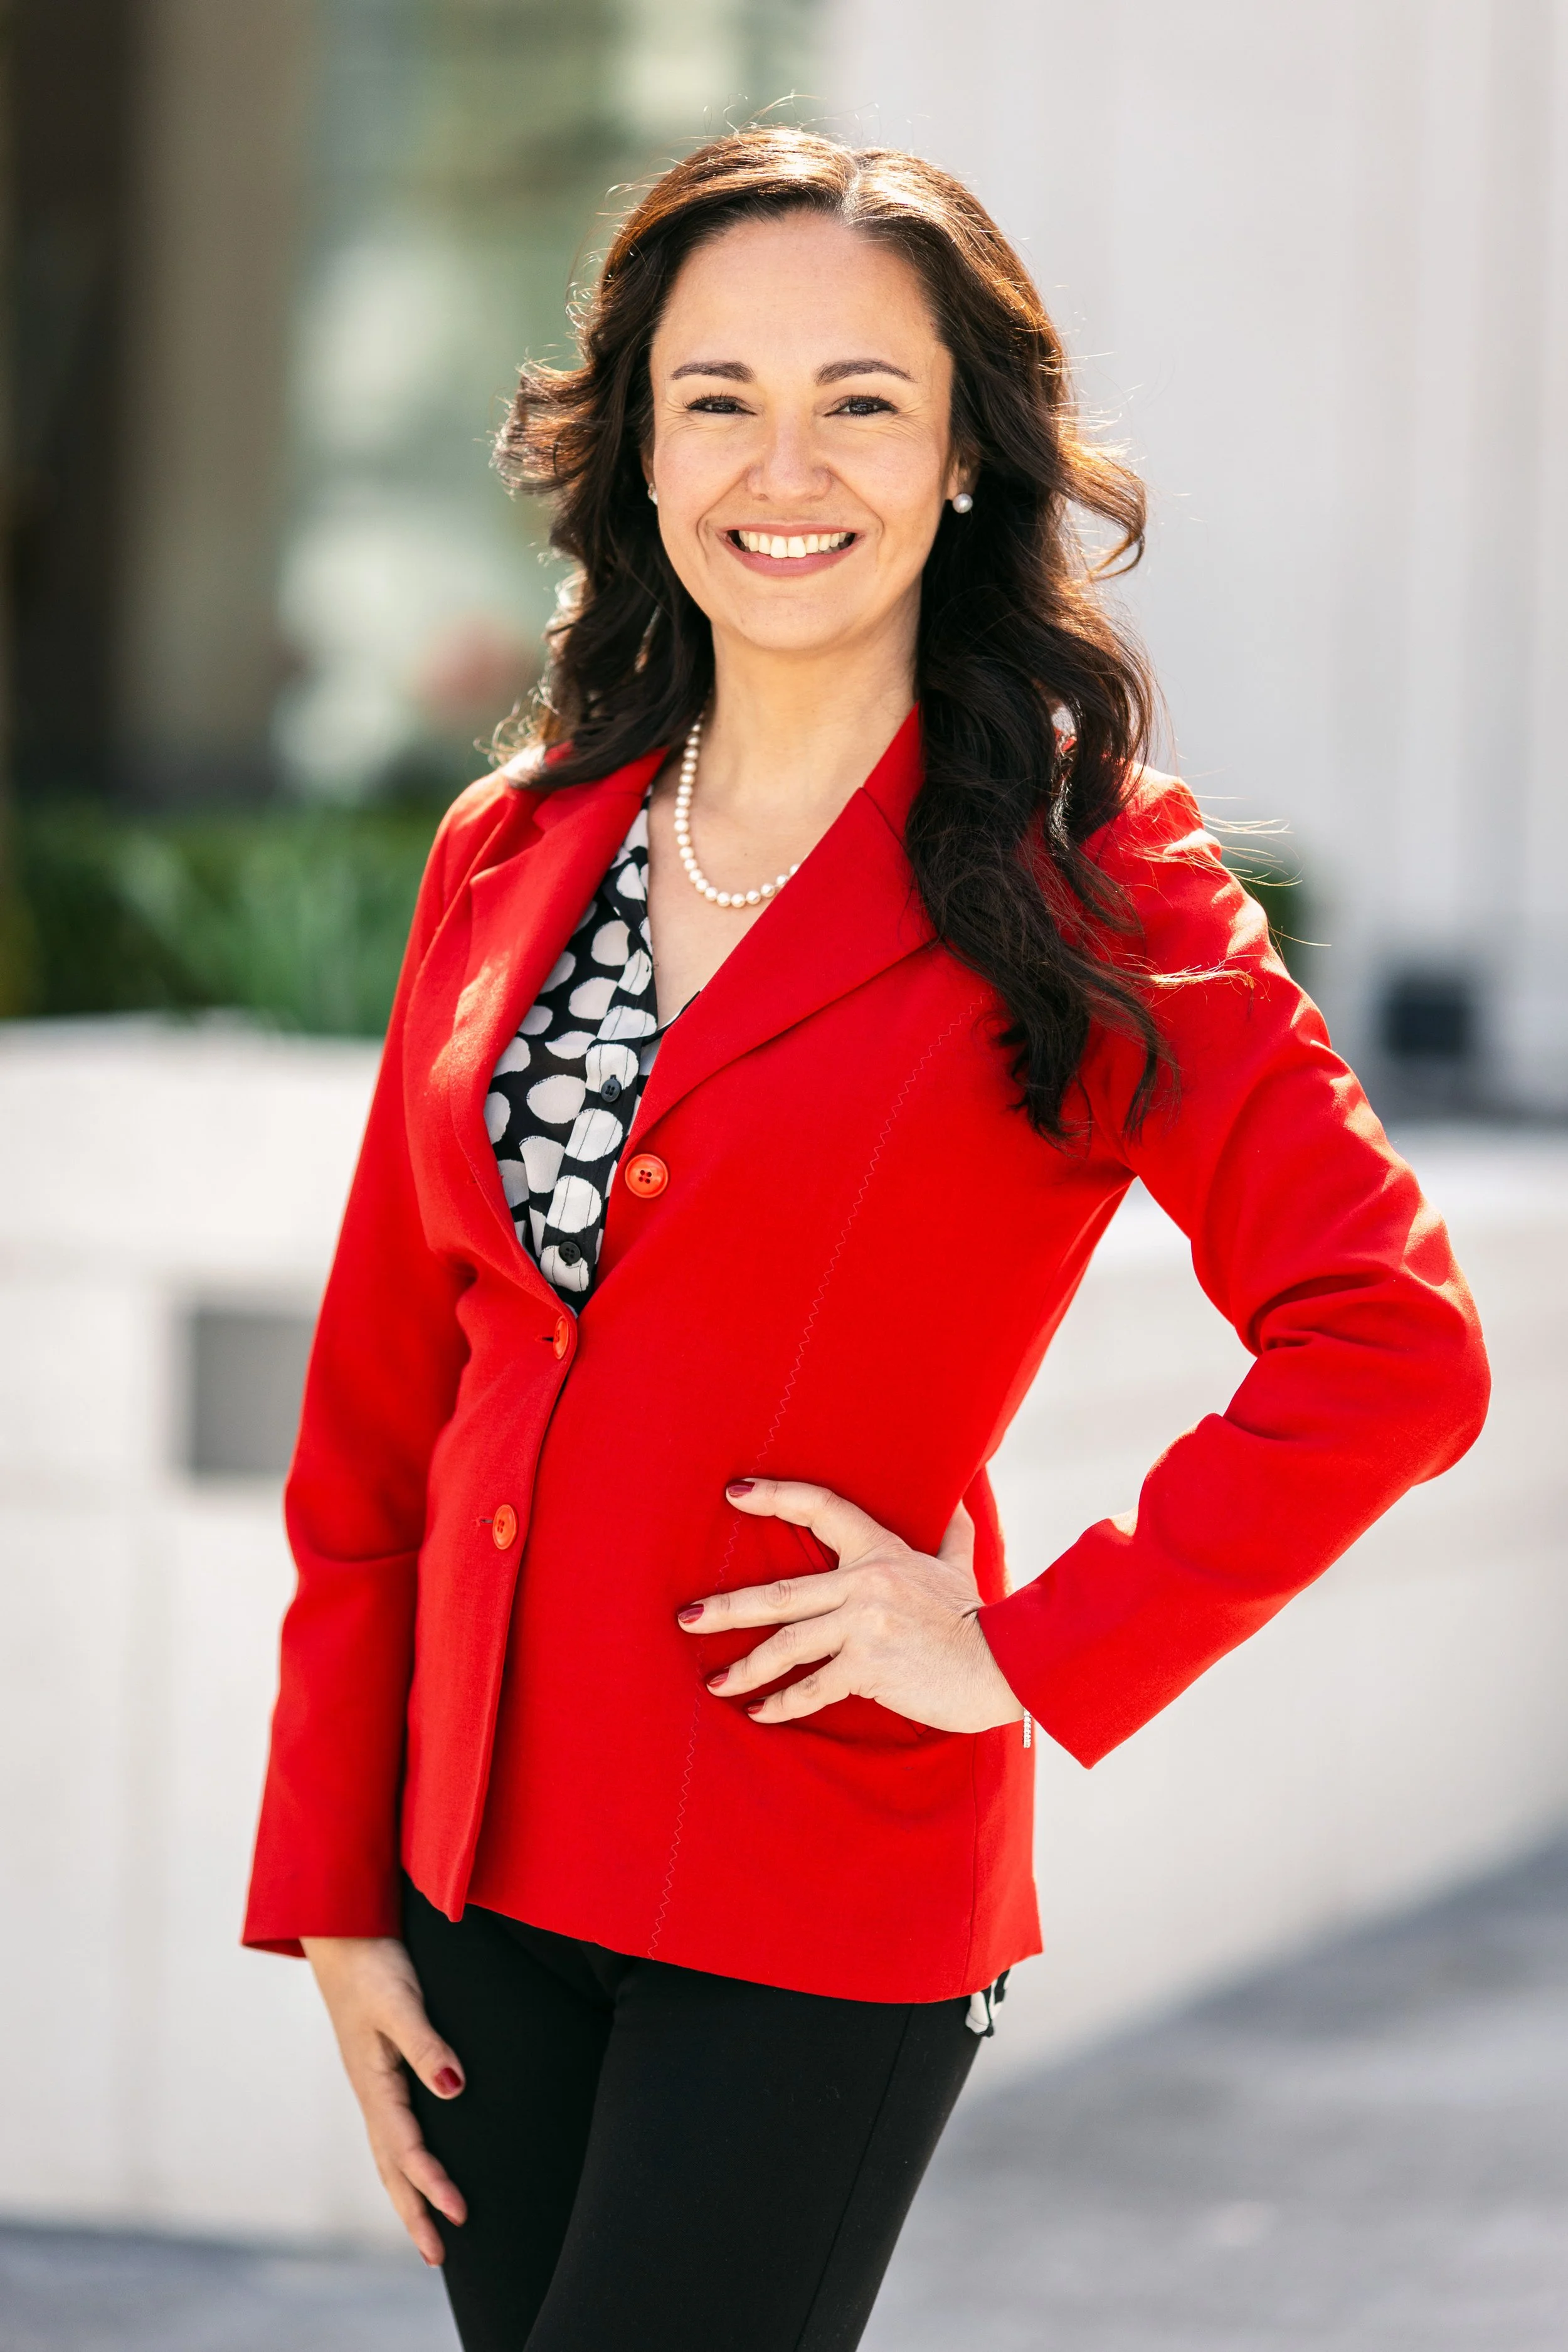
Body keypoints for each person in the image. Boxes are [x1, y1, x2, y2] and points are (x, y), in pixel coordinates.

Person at [243, 129, 1489, 2352]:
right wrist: (335, 1885)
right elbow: (380, 1412)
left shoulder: (1090, 877)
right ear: (634, 443)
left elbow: (1388, 1341)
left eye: (862, 399)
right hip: (464, 1876)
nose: (778, 463)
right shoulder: (510, 848)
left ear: (964, 458)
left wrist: (1029, 1647)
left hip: (807, 1883)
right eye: (716, 394)